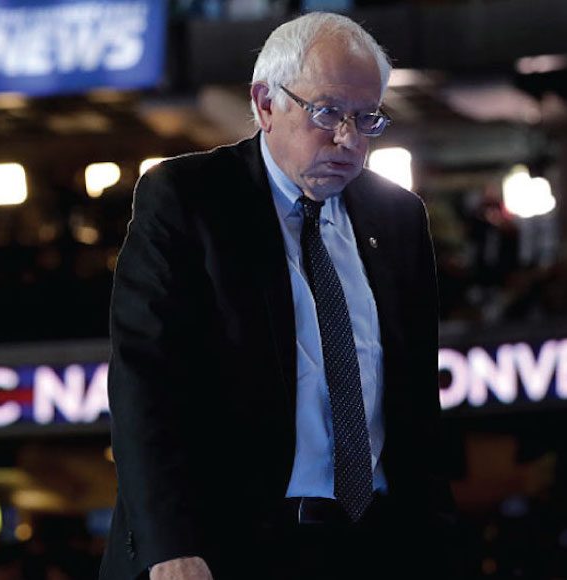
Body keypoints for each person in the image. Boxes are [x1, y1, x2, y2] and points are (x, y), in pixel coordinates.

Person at [99, 12, 457, 580]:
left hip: (376, 544)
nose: (349, 139)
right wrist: (170, 543)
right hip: (227, 547)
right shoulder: (189, 198)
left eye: (367, 119)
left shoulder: (399, 218)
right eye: (328, 113)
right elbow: (146, 382)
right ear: (265, 103)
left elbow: (415, 405)